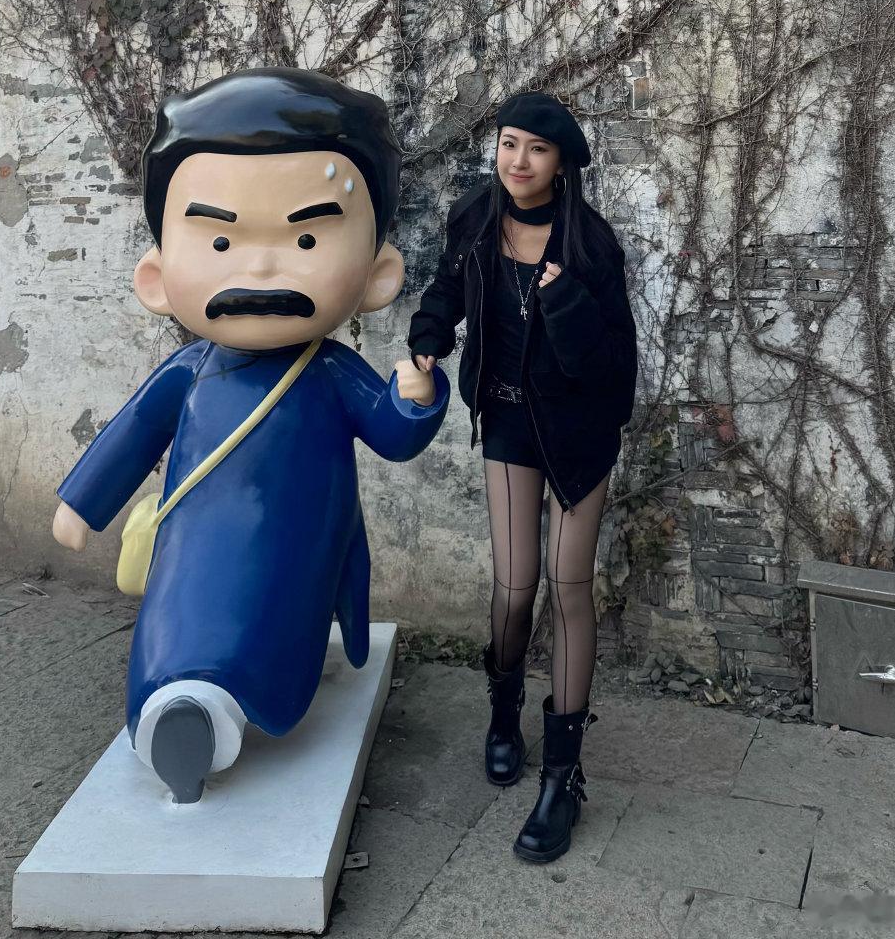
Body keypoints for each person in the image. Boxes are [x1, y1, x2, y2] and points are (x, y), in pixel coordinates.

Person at [52, 67, 448, 804]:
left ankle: (222, 707)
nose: (262, 266)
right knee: (179, 623)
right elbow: (135, 432)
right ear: (156, 276)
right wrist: (83, 503)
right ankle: (181, 704)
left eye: (306, 236)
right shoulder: (190, 371)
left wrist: (414, 398)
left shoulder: (331, 372)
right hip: (194, 544)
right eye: (221, 241)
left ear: (378, 273)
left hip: (302, 542)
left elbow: (391, 434)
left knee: (282, 627)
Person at [407, 91, 636, 863]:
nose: (519, 161)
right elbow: (447, 289)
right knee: (514, 587)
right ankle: (503, 711)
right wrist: (430, 334)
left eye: (536, 148)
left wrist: (564, 301)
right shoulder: (475, 218)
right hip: (506, 420)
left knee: (568, 588)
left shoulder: (591, 246)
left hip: (577, 432)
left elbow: (614, 371)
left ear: (561, 161)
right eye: (509, 143)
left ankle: (562, 778)